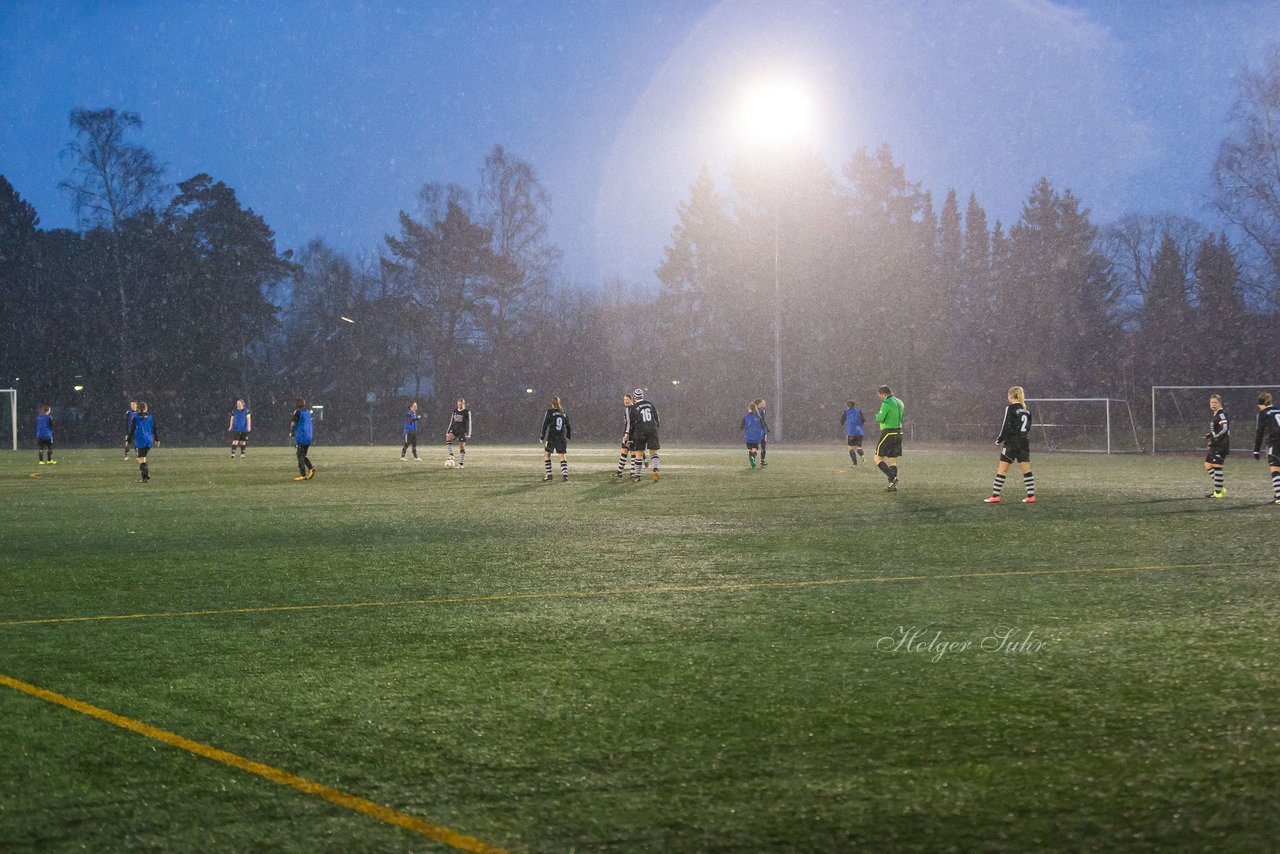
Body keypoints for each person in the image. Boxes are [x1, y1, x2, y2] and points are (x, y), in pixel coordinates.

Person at [984, 386, 1035, 504]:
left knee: (1002, 470)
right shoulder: (1027, 410)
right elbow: (1028, 428)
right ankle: (1031, 496)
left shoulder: (1011, 408)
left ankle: (995, 496)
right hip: (1024, 442)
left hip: (1012, 442)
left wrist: (999, 439)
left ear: (1011, 396)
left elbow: (1006, 426)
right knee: (1026, 470)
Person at [873, 385, 905, 491]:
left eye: (880, 395)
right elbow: (902, 417)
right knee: (892, 460)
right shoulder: (900, 402)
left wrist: (876, 415)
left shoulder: (886, 403)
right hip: (899, 433)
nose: (880, 397)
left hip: (888, 433)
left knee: (877, 458)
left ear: (883, 394)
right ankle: (892, 485)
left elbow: (880, 418)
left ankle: (892, 477)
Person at [627, 388, 661, 482]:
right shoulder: (650, 404)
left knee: (639, 453)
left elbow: (632, 424)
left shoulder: (634, 408)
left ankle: (637, 476)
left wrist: (630, 436)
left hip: (640, 430)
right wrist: (655, 427)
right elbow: (656, 417)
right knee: (654, 452)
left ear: (634, 398)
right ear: (642, 396)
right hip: (652, 429)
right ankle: (655, 469)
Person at [1253, 392, 1280, 505]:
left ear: (1261, 403)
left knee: (1275, 468)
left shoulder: (1263, 413)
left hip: (1275, 441)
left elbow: (1260, 432)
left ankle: (1279, 496)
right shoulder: (1278, 410)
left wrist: (1256, 450)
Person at [1203, 394, 1229, 499]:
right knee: (1208, 465)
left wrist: (1214, 436)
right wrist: (1210, 436)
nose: (1213, 404)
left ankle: (1217, 492)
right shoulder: (1216, 414)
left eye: (1215, 402)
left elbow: (1224, 429)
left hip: (1221, 445)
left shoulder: (1221, 414)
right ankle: (1219, 486)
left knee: (1217, 466)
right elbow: (1217, 429)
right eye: (1211, 402)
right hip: (1216, 444)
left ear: (1219, 403)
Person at [540, 396, 572, 481]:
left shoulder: (550, 412)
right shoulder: (563, 413)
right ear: (559, 403)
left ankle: (549, 475)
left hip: (552, 436)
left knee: (547, 455)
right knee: (562, 456)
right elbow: (568, 426)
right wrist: (568, 435)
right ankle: (565, 475)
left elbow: (545, 424)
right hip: (561, 437)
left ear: (551, 403)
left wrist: (542, 436)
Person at [127, 401, 157, 484]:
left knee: (140, 459)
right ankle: (145, 477)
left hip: (140, 441)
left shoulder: (136, 418)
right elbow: (154, 428)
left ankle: (145, 475)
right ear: (145, 408)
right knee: (143, 458)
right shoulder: (150, 417)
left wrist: (128, 440)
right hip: (149, 441)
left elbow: (132, 430)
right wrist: (157, 439)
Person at [291, 397, 315, 481]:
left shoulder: (297, 412)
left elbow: (293, 423)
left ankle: (303, 474)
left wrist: (292, 432)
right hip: (308, 436)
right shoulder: (308, 412)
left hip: (301, 436)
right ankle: (311, 470)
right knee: (303, 455)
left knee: (299, 455)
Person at [612, 393, 634, 479]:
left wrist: (627, 433)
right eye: (624, 399)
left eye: (627, 399)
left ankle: (621, 472)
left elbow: (628, 422)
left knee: (625, 452)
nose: (625, 401)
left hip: (629, 433)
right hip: (634, 433)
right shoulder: (635, 408)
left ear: (631, 399)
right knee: (631, 452)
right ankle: (631, 473)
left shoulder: (628, 409)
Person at [445, 398, 472, 467]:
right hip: (455, 430)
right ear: (457, 404)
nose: (460, 405)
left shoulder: (467, 412)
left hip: (462, 431)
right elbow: (451, 421)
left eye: (461, 404)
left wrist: (469, 433)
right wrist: (448, 431)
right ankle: (451, 455)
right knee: (448, 438)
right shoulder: (454, 411)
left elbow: (469, 423)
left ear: (464, 404)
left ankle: (461, 464)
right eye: (459, 404)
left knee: (461, 446)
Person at [741, 402, 765, 469]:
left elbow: (741, 427)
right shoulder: (759, 417)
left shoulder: (745, 417)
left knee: (750, 449)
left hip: (748, 437)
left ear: (749, 409)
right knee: (754, 449)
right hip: (756, 437)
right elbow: (763, 426)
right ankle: (752, 458)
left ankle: (752, 462)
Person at [841, 400, 865, 466]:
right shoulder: (858, 411)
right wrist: (859, 425)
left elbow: (841, 422)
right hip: (859, 431)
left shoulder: (846, 412)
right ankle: (862, 455)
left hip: (851, 432)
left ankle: (855, 464)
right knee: (858, 447)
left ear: (847, 406)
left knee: (851, 448)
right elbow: (863, 419)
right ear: (854, 405)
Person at [754, 398, 770, 467]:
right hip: (762, 430)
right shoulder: (762, 410)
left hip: (755, 430)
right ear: (759, 403)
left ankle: (753, 458)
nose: (763, 404)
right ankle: (762, 461)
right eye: (762, 402)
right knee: (763, 446)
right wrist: (766, 427)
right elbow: (762, 420)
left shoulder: (753, 410)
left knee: (756, 445)